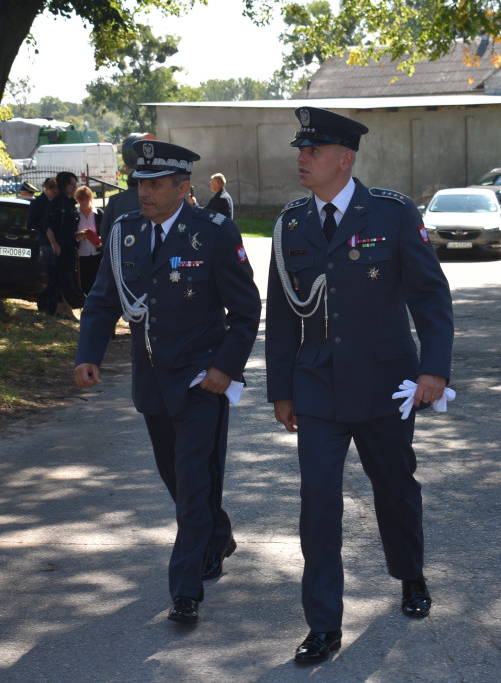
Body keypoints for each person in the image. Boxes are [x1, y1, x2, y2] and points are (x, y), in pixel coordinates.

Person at [265, 107, 455, 665]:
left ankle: (410, 575)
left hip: (385, 383)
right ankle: (323, 623)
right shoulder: (291, 224)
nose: (302, 160)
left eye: (313, 152)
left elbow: (430, 296)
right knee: (317, 503)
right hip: (318, 386)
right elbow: (280, 317)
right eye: (301, 151)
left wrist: (433, 371)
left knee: (395, 489)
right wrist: (282, 389)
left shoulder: (392, 214)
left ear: (344, 159)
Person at [74, 140, 261, 625]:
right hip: (152, 380)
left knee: (195, 480)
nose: (145, 193)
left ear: (184, 188)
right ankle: (216, 535)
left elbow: (245, 310)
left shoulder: (214, 232)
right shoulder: (123, 233)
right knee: (175, 477)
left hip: (203, 380)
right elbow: (101, 301)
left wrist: (226, 368)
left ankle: (185, 590)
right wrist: (87, 355)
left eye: (156, 184)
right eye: (140, 183)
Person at [46, 171, 84, 320]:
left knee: (68, 277)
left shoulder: (70, 203)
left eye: (75, 183)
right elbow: (48, 226)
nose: (75, 187)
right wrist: (54, 243)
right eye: (71, 184)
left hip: (70, 246)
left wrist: (77, 236)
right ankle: (65, 310)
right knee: (63, 278)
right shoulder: (57, 202)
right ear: (64, 185)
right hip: (61, 247)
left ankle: (63, 310)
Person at [100, 134, 151, 244]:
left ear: (127, 183)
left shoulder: (114, 199)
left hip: (118, 247)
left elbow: (105, 229)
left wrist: (107, 249)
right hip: (142, 245)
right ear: (140, 184)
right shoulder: (148, 199)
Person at [74, 184, 103, 296]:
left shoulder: (98, 214)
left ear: (91, 199)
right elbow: (70, 235)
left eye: (86, 200)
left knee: (96, 281)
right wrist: (78, 235)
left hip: (97, 253)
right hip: (82, 254)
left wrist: (99, 239)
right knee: (84, 282)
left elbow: (106, 231)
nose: (84, 203)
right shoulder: (76, 215)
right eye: (81, 200)